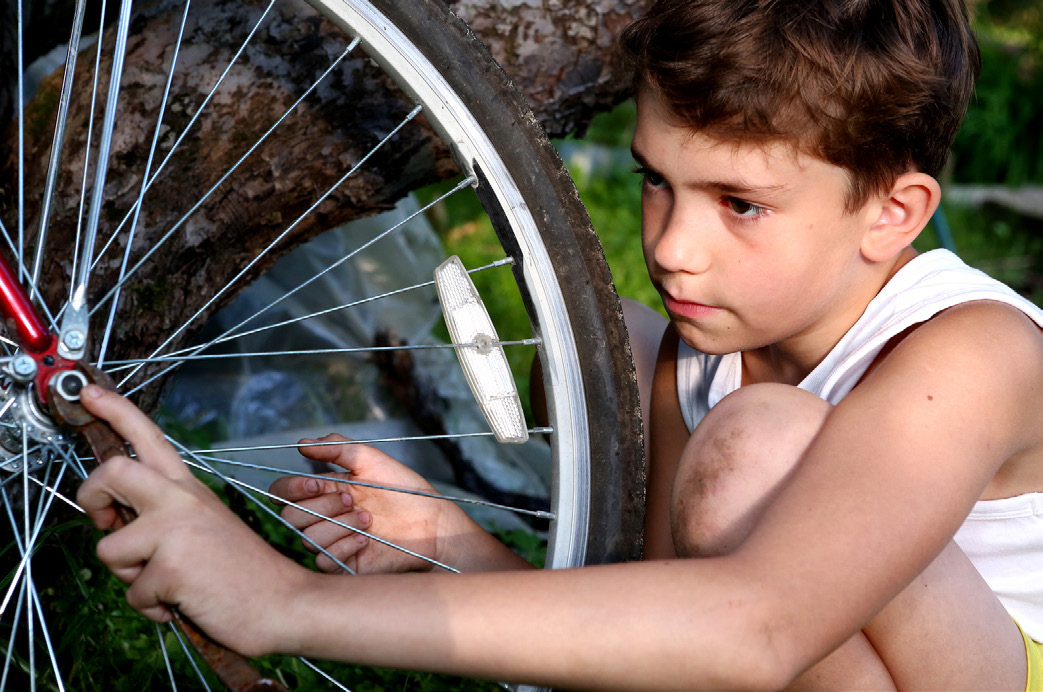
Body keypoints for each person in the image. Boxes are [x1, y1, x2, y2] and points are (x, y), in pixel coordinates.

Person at [76, 0, 1043, 688]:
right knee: (607, 351)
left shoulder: (972, 353)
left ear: (892, 214)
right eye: (656, 180)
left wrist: (281, 601)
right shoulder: (695, 356)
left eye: (739, 205)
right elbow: (661, 627)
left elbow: (754, 629)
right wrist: (453, 547)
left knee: (760, 450)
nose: (670, 245)